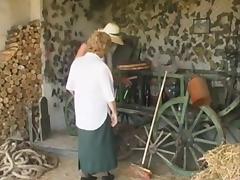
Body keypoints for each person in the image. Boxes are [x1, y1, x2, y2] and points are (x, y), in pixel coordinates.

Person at [66, 31, 118, 180]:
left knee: (86, 143)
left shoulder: (77, 63)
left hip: (82, 112)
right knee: (102, 143)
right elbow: (109, 95)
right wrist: (114, 113)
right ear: (104, 48)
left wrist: (82, 97)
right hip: (98, 112)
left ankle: (86, 173)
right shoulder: (101, 68)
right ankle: (104, 174)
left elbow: (70, 87)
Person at [75, 22, 132, 87]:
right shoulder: (85, 47)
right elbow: (76, 70)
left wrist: (120, 80)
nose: (112, 44)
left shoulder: (108, 53)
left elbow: (106, 76)